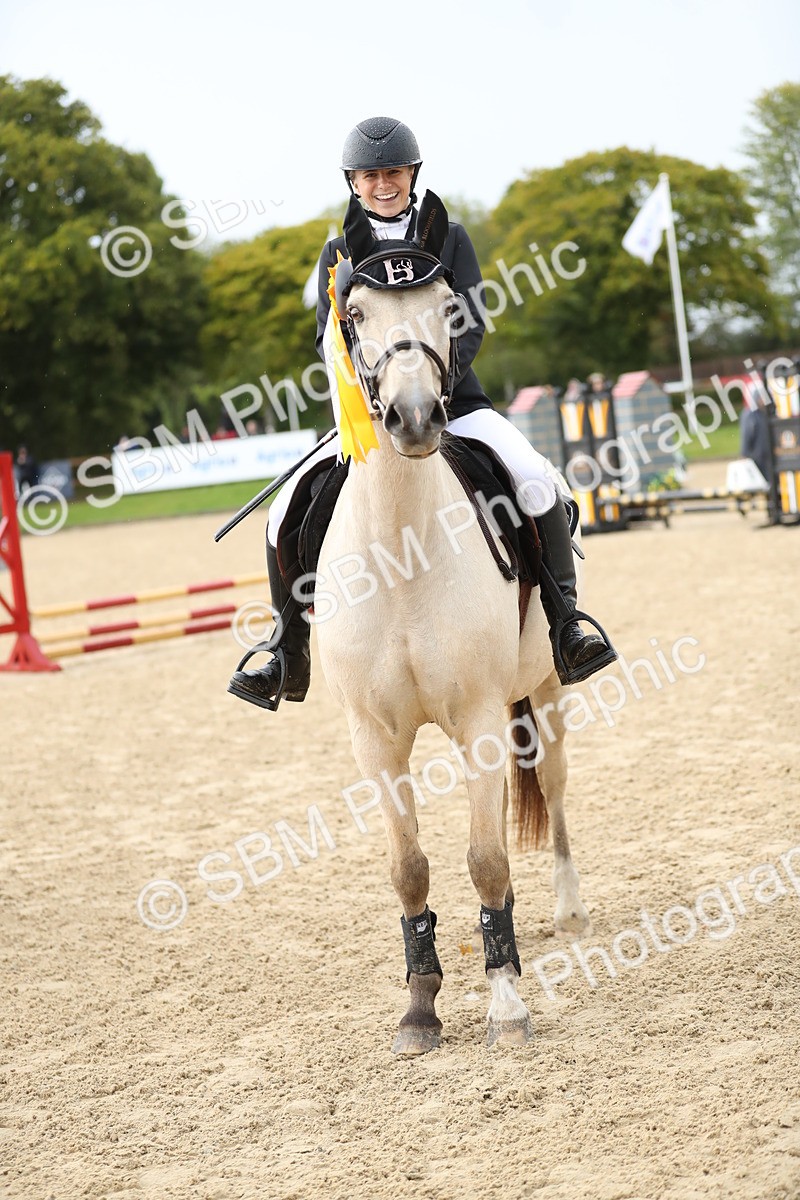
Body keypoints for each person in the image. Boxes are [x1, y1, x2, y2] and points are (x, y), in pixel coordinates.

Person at [229, 117, 617, 710]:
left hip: (453, 404)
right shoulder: (337, 253)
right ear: (353, 182)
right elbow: (328, 341)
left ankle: (566, 624)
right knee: (284, 509)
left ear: (412, 174)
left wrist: (431, 390)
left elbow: (471, 320)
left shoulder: (450, 236)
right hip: (370, 414)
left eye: (393, 172)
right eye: (370, 175)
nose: (383, 184)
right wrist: (369, 403)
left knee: (536, 478)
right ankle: (287, 649)